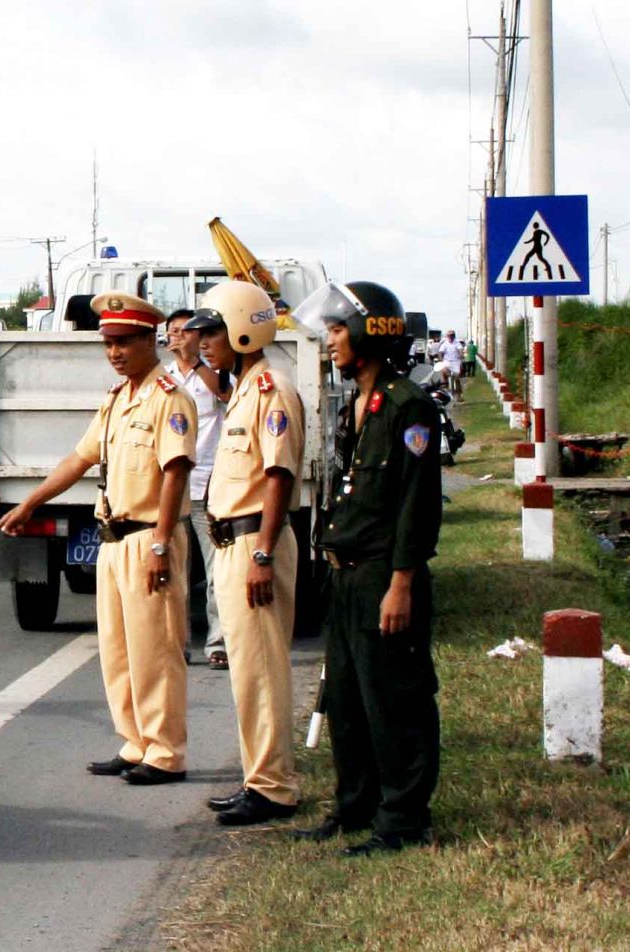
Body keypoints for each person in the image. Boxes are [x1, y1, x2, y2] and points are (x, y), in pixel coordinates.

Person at [0, 292, 197, 785]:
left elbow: (176, 473)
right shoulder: (117, 399)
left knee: (156, 653)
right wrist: (29, 503)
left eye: (125, 342)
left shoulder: (170, 397)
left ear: (152, 340)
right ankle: (135, 742)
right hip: (113, 539)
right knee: (119, 650)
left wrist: (162, 542)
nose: (115, 352)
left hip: (149, 537)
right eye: (108, 343)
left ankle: (165, 752)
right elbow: (78, 461)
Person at [291, 280, 442, 857]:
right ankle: (355, 806)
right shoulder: (360, 404)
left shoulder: (408, 406)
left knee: (394, 701)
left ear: (368, 331)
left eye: (335, 330)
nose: (329, 341)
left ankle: (403, 819)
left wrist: (401, 583)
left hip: (384, 575)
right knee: (348, 704)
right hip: (347, 575)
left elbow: (415, 505)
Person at [186, 280, 305, 826]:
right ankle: (259, 778)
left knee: (261, 672)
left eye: (211, 333)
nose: (202, 343)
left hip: (256, 542)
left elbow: (278, 477)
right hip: (234, 542)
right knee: (246, 674)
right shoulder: (242, 390)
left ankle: (273, 787)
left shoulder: (271, 391)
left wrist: (261, 554)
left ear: (241, 330)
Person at [166, 307, 233, 670]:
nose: (178, 336)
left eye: (185, 331)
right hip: (174, 487)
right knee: (176, 572)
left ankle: (217, 641)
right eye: (173, 331)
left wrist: (196, 364)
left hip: (209, 485)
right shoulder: (163, 378)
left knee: (215, 570)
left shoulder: (215, 373)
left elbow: (224, 396)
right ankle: (177, 642)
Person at [436, 331, 462, 399]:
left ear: (454, 336)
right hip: (447, 361)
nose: (450, 337)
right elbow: (440, 352)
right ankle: (445, 388)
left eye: (452, 335)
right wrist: (441, 359)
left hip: (455, 362)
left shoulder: (457, 343)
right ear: (447, 336)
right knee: (444, 373)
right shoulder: (445, 344)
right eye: (449, 335)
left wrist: (461, 354)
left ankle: (459, 395)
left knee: (457, 378)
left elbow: (460, 349)